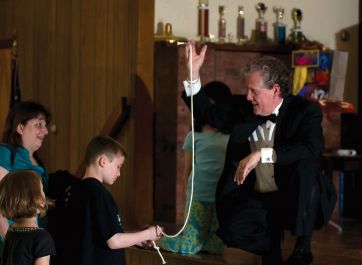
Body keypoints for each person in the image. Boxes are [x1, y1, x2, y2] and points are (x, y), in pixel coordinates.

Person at [181, 41, 336, 265]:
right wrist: (193, 73)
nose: (248, 97)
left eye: (254, 91)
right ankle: (271, 246)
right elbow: (207, 112)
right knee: (233, 232)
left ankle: (302, 248)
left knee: (306, 168)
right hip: (256, 196)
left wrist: (263, 154)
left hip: (292, 194)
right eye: (247, 90)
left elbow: (311, 148)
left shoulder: (305, 111)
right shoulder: (244, 108)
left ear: (275, 90)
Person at [56, 135, 162, 265]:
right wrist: (148, 234)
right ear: (103, 161)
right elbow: (113, 240)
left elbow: (103, 233)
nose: (119, 173)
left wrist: (136, 239)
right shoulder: (99, 194)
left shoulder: (74, 190)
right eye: (118, 166)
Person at [159, 81, 231, 255]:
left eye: (212, 104)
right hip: (198, 197)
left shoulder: (231, 135)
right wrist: (187, 194)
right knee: (188, 247)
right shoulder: (194, 135)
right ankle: (155, 239)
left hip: (221, 199)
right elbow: (187, 170)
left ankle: (198, 242)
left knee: (219, 247)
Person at [0, 101, 51, 237]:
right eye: (39, 125)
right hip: (15, 239)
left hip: (36, 241)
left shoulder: (38, 163)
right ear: (20, 128)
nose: (45, 131)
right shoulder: (5, 153)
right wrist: (10, 243)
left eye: (45, 126)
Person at [0, 170, 56, 265]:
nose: (44, 194)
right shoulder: (41, 238)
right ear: (31, 198)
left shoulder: (11, 231)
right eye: (41, 189)